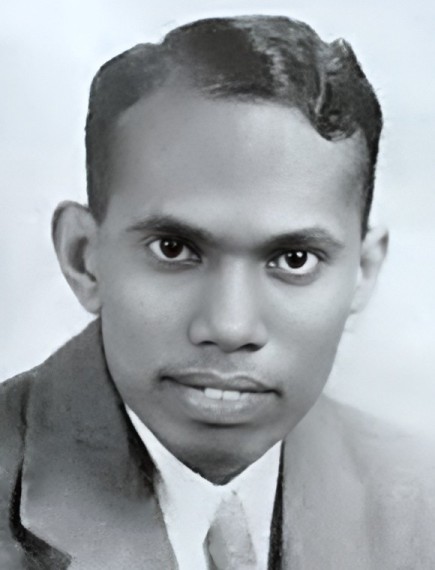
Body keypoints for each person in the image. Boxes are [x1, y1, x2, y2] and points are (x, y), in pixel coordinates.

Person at [0, 14, 433, 570]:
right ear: (84, 258)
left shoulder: (422, 499)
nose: (230, 327)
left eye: (293, 260)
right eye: (173, 249)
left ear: (363, 272)